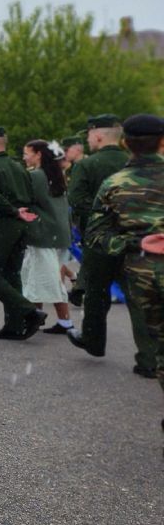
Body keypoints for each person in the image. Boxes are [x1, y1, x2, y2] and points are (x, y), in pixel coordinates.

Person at [86, 113, 164, 436]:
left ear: (126, 143)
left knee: (160, 346)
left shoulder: (114, 185)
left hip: (142, 273)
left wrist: (132, 242)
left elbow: (94, 236)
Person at [67, 115, 154, 376]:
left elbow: (77, 199)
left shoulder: (87, 165)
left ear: (97, 135)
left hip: (100, 240)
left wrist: (100, 214)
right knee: (138, 299)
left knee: (96, 292)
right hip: (139, 242)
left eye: (89, 135)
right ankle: (148, 359)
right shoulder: (133, 163)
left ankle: (94, 341)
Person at [0, 127, 45, 340]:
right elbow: (30, 193)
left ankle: (29, 311)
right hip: (21, 223)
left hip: (3, 222)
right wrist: (20, 212)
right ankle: (14, 325)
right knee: (11, 273)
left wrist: (12, 210)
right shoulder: (18, 166)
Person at [21, 141, 74, 335]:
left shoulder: (35, 176)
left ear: (39, 155)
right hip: (58, 234)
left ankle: (36, 319)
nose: (25, 157)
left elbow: (22, 200)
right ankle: (61, 321)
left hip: (42, 234)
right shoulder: (56, 175)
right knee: (48, 279)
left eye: (27, 153)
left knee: (41, 280)